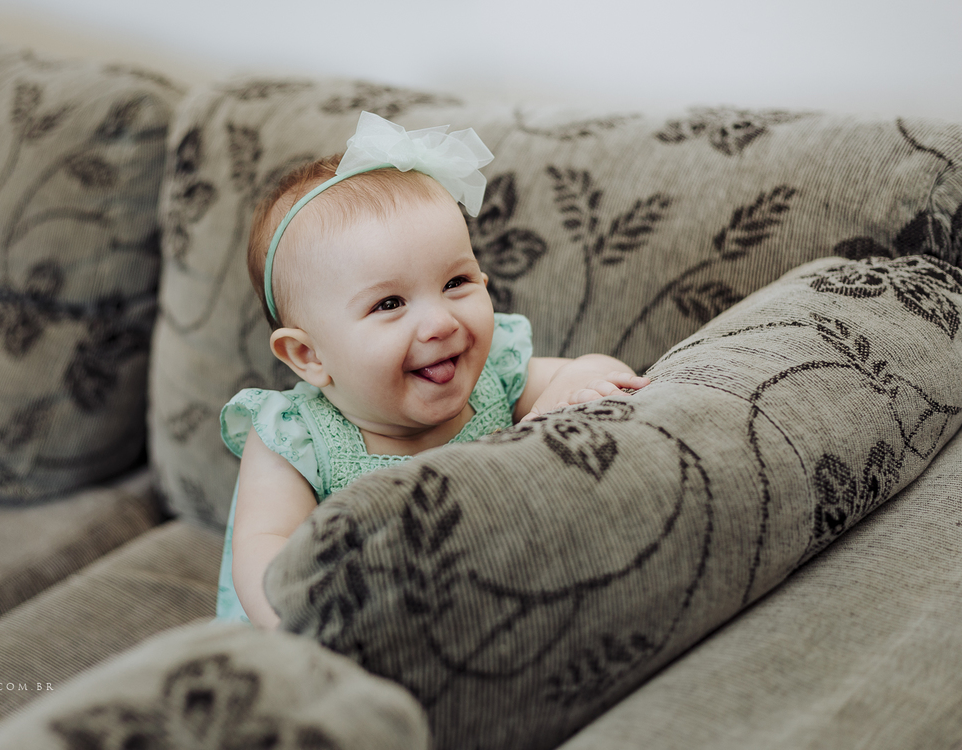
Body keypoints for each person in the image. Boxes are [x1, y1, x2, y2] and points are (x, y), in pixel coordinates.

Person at [217, 111, 649, 628]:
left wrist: (577, 394)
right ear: (310, 357)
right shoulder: (293, 439)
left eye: (455, 283)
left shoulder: (497, 375)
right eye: (389, 304)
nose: (440, 323)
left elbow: (586, 370)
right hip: (354, 627)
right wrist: (311, 626)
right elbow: (263, 554)